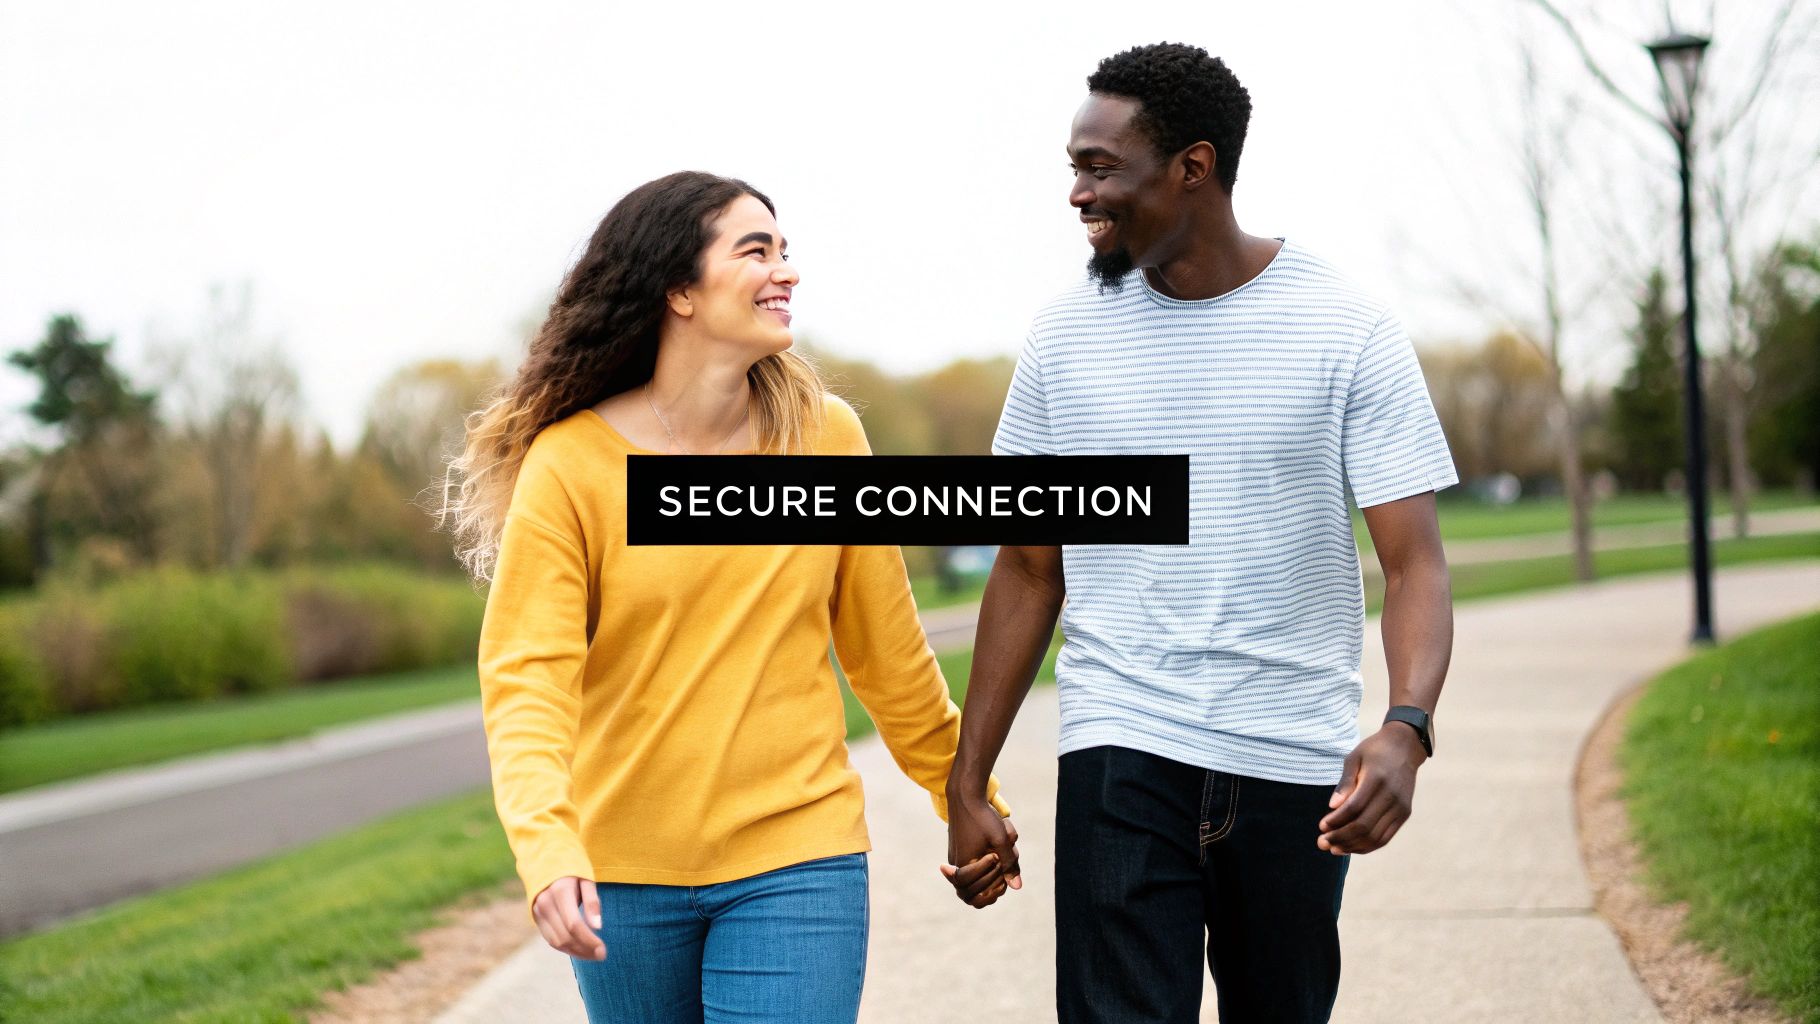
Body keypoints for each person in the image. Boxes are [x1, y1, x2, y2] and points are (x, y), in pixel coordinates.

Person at [943, 44, 1457, 1023]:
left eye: (1102, 167)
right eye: (1073, 166)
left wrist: (1406, 727)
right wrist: (967, 780)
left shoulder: (1344, 327)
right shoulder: (1063, 338)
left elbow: (1412, 563)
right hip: (1118, 742)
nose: (1077, 192)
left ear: (1193, 166)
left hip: (1291, 759)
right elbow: (1023, 563)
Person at [443, 170, 1013, 1024]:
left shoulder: (827, 441)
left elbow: (888, 655)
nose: (785, 270)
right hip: (627, 875)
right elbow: (528, 677)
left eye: (786, 251)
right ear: (679, 287)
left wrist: (966, 797)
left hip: (799, 853)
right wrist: (546, 845)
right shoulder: (571, 466)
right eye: (756, 251)